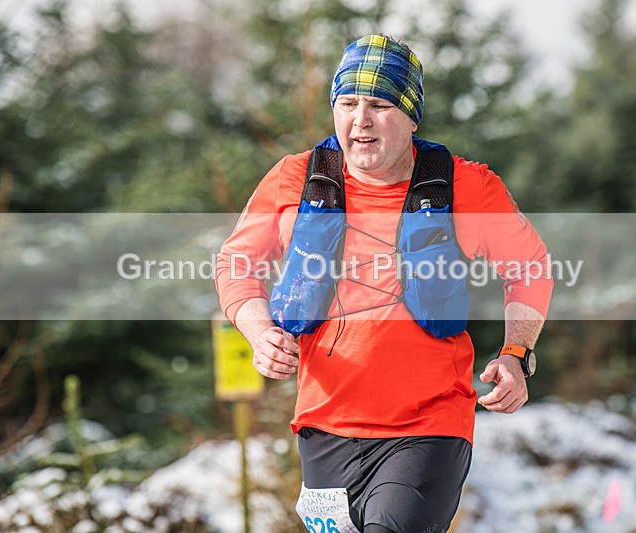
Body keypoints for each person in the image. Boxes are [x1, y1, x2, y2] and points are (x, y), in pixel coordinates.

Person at [216, 34, 552, 533]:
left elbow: (530, 269)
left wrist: (516, 353)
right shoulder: (295, 179)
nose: (361, 120)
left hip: (428, 427)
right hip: (324, 427)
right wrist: (258, 330)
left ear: (412, 116)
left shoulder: (465, 186)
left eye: (379, 105)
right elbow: (236, 265)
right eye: (348, 103)